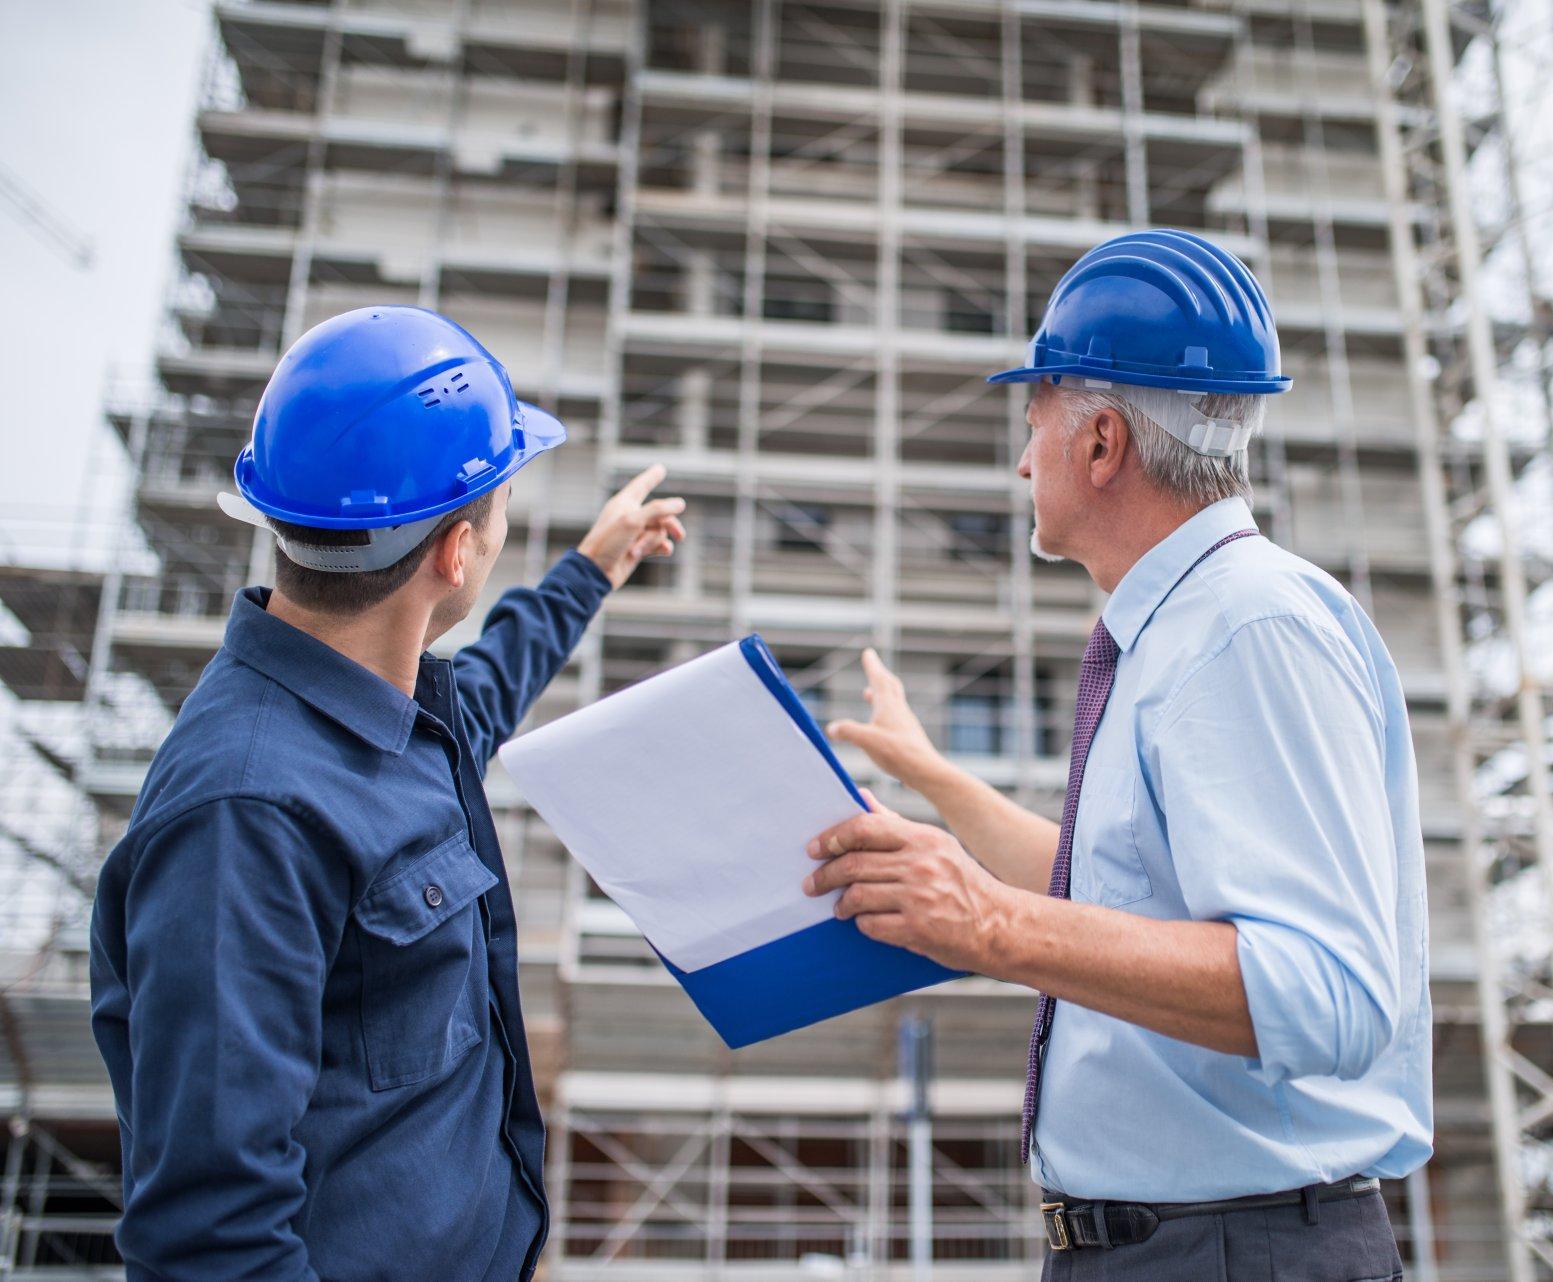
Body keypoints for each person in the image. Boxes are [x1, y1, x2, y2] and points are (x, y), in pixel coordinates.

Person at [805, 230, 1431, 1277]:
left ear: (1101, 443)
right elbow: (1110, 891)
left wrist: (987, 920)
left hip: (1239, 1249)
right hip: (1184, 1245)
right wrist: (938, 782)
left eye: (1033, 418)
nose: (1020, 457)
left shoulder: (1245, 625)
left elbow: (1330, 991)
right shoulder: (1191, 628)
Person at [89, 307, 686, 1281]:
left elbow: (487, 687)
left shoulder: (395, 716)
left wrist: (592, 569)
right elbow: (212, 1243)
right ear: (455, 553)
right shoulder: (242, 816)